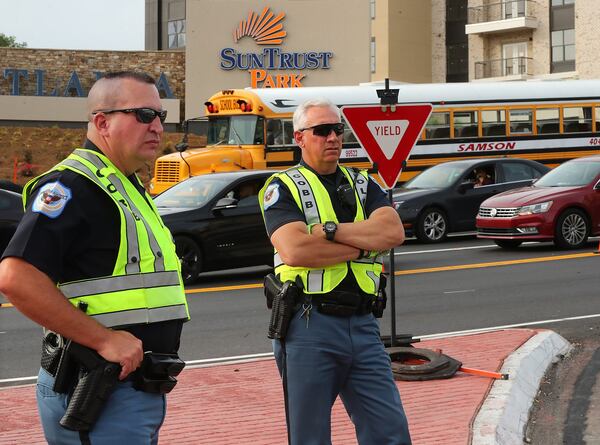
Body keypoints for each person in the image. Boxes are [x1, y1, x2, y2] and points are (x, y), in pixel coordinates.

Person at [0, 71, 189, 444]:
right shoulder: (71, 186)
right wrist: (103, 340)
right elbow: (15, 277)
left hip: (128, 390)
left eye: (161, 115)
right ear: (102, 122)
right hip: (99, 390)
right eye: (144, 115)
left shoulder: (125, 183)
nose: (157, 127)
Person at [259, 98, 411, 444]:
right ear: (299, 137)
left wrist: (328, 231)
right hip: (309, 325)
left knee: (390, 431)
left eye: (337, 130)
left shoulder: (362, 184)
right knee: (310, 436)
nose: (333, 138)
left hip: (363, 325)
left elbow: (393, 233)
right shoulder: (282, 187)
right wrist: (363, 243)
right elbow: (296, 250)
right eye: (322, 130)